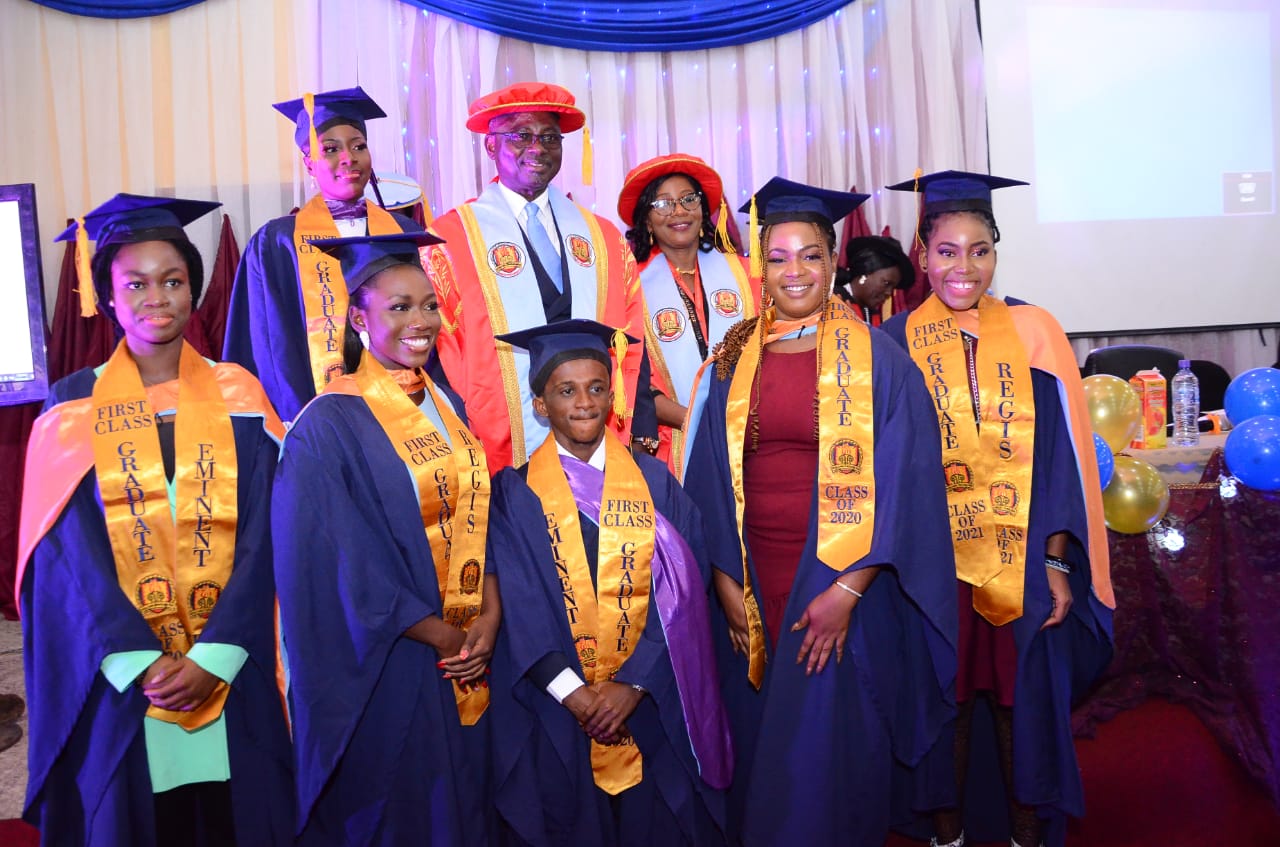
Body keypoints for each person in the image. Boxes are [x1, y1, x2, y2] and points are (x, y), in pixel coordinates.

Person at [681, 177, 958, 845]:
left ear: (834, 260)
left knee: (831, 747)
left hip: (842, 577)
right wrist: (725, 586)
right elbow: (707, 483)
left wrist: (847, 588)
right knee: (761, 744)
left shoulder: (879, 361)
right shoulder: (732, 359)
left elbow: (907, 488)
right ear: (761, 267)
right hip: (753, 578)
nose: (794, 271)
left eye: (809, 254)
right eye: (777, 257)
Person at [16, 195, 294, 845]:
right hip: (122, 675)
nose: (155, 297)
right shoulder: (71, 406)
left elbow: (263, 538)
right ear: (108, 296)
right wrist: (140, 659)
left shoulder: (241, 396)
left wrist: (216, 653)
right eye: (134, 283)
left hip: (233, 663)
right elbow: (70, 555)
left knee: (235, 818)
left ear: (193, 290)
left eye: (172, 280)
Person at [881, 170, 1115, 847]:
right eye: (947, 250)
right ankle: (947, 835)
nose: (964, 266)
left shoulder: (1035, 331)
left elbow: (1062, 460)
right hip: (932, 565)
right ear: (922, 254)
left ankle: (1022, 834)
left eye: (980, 249)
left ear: (996, 253)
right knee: (944, 701)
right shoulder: (893, 345)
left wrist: (1055, 560)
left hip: (1022, 553)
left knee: (1022, 701)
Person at [272, 231, 500, 845]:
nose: (420, 321)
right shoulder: (326, 424)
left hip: (464, 646)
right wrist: (443, 633)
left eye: (428, 304)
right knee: (412, 806)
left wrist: (490, 615)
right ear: (357, 316)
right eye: (398, 307)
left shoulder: (445, 405)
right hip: (395, 655)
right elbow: (343, 562)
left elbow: (483, 515)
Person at [486, 319, 731, 846]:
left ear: (613, 397)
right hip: (559, 706)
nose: (584, 403)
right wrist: (576, 696)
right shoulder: (514, 493)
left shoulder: (655, 481)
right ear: (539, 405)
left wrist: (633, 684)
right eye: (565, 391)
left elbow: (684, 593)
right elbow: (521, 605)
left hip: (648, 698)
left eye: (597, 388)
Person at [424, 81, 656, 469]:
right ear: (491, 145)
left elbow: (632, 338)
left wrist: (641, 423)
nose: (537, 148)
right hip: (494, 444)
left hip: (593, 429)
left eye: (550, 137)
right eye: (521, 135)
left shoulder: (602, 237)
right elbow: (438, 350)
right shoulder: (448, 239)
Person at [224, 86, 424, 421]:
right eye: (330, 149)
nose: (348, 158)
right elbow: (260, 343)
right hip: (309, 410)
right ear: (309, 164)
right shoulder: (276, 242)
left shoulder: (401, 233)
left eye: (359, 146)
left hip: (399, 404)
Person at [617, 154, 759, 464]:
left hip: (751, 437)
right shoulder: (629, 288)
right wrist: (700, 422)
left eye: (688, 199)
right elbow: (630, 384)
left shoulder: (748, 276)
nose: (678, 211)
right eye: (663, 204)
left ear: (704, 211)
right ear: (645, 219)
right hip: (676, 448)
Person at [833, 234, 914, 326]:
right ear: (864, 272)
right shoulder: (834, 301)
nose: (889, 293)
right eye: (886, 283)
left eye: (893, 288)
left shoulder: (871, 313)